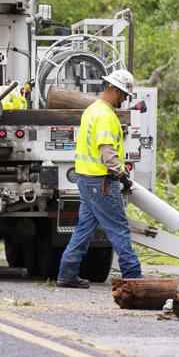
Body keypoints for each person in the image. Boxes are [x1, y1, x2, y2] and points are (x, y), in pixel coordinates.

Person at [56, 69, 143, 288]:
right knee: (119, 228)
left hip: (86, 179)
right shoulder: (105, 116)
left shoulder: (92, 110)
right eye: (123, 94)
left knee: (84, 229)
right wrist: (122, 175)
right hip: (101, 181)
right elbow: (106, 151)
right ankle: (133, 276)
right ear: (113, 89)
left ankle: (67, 273)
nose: (124, 99)